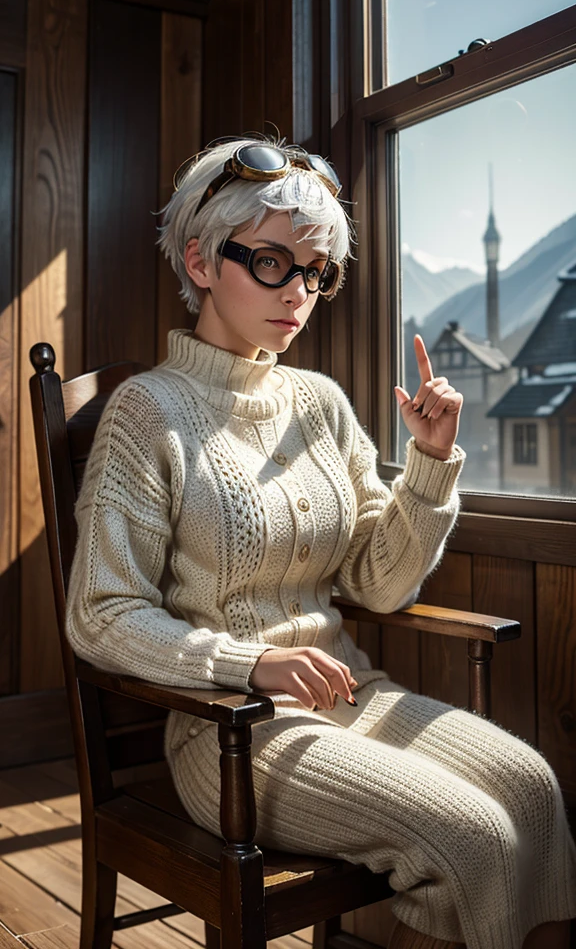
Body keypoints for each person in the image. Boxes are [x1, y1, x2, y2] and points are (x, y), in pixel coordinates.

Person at [66, 134, 576, 949]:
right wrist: (248, 663)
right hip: (227, 730)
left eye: (316, 272)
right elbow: (101, 614)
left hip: (348, 698)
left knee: (534, 788)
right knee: (472, 834)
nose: (298, 292)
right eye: (272, 262)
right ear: (199, 260)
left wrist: (430, 467)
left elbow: (379, 586)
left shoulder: (321, 402)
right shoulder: (147, 413)